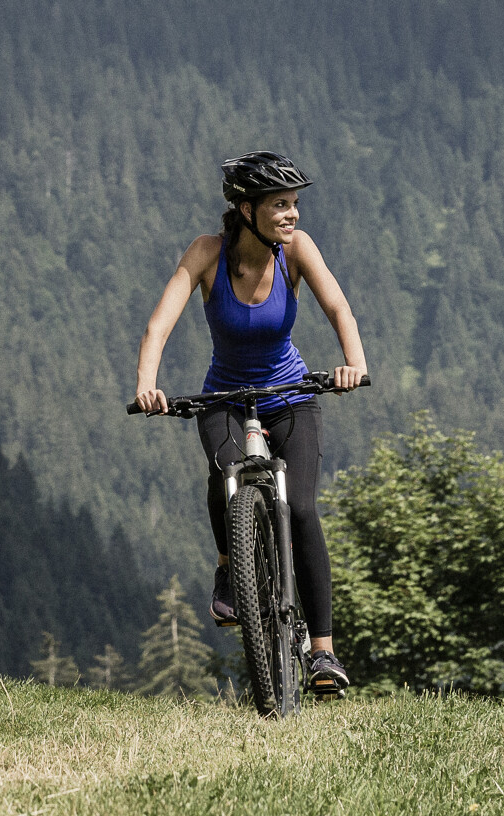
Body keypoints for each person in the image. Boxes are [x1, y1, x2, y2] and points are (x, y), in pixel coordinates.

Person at [133, 150, 369, 696]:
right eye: (280, 205)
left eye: (294, 204)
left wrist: (353, 365)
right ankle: (230, 565)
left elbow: (339, 308)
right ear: (246, 209)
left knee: (304, 508)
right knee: (227, 475)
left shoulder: (296, 252)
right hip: (225, 397)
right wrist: (148, 383)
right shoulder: (207, 255)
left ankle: (322, 654)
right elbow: (159, 325)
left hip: (290, 394)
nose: (293, 215)